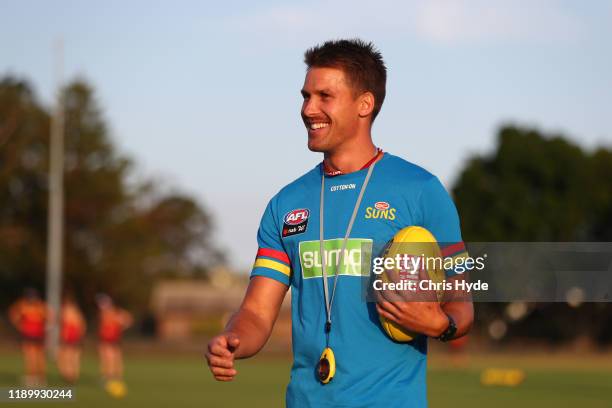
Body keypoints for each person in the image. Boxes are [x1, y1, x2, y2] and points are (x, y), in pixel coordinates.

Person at [206, 39, 474, 407]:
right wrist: (232, 339)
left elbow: (462, 301)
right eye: (305, 95)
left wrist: (442, 325)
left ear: (365, 104)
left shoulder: (421, 191)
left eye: (324, 96)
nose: (308, 109)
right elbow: (256, 312)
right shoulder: (286, 204)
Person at [8, 288, 49, 386]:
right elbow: (13, 314)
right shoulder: (23, 305)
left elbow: (49, 318)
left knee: (39, 357)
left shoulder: (40, 306)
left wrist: (45, 328)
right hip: (27, 334)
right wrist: (19, 325)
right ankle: (32, 377)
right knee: (30, 356)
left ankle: (40, 377)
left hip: (38, 335)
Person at [96, 294, 132, 386]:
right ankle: (108, 376)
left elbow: (128, 320)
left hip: (113, 338)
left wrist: (121, 326)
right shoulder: (104, 313)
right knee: (106, 357)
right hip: (105, 338)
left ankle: (114, 376)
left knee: (113, 357)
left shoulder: (117, 312)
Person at [57, 293, 86, 383]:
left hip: (70, 338)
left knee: (68, 357)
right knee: (72, 357)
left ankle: (69, 375)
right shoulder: (76, 312)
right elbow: (82, 326)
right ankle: (71, 375)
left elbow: (80, 326)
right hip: (74, 338)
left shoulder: (67, 311)